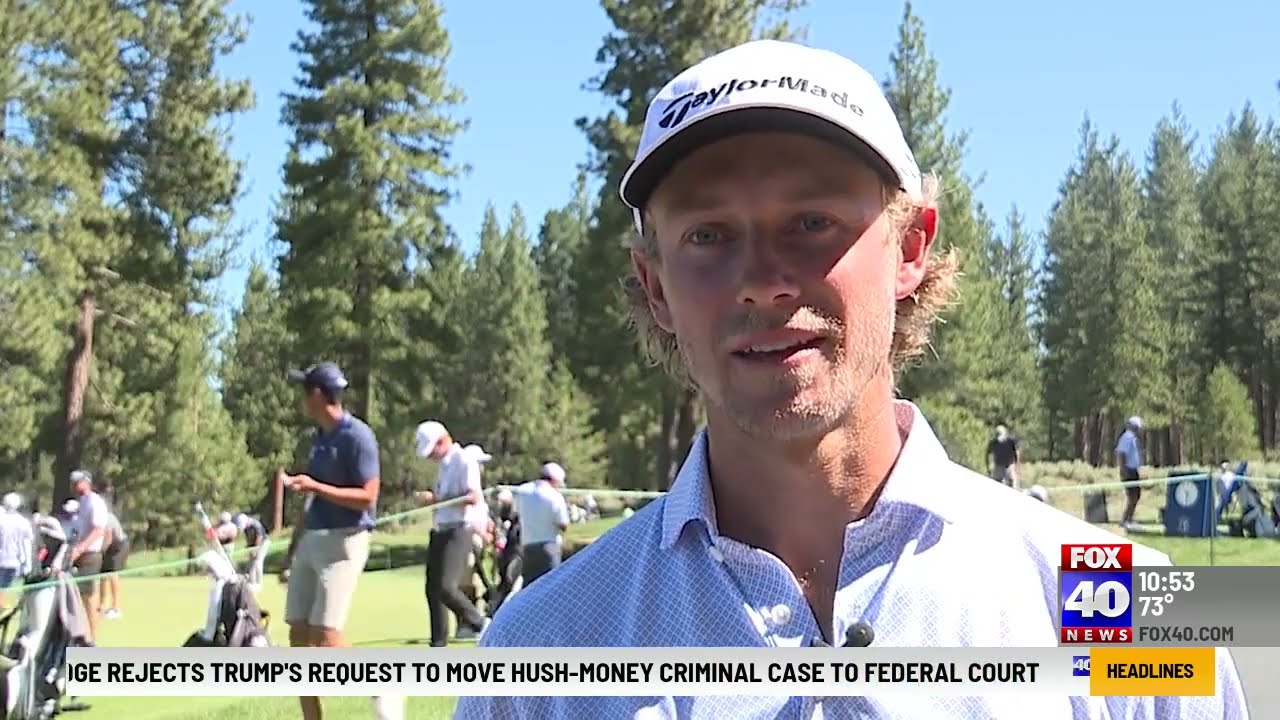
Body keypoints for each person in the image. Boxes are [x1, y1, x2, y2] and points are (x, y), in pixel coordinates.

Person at [455, 39, 1247, 719]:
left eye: (811, 222)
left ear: (909, 249)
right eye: (707, 234)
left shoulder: (1130, 606)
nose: (762, 281)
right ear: (655, 285)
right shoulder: (540, 651)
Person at [278, 361, 385, 720]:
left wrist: (315, 486)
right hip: (311, 541)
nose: (302, 400)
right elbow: (311, 503)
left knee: (325, 639)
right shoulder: (319, 439)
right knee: (298, 635)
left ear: (318, 395)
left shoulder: (357, 436)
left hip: (345, 543)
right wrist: (292, 550)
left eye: (305, 392)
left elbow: (368, 497)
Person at [414, 420, 489, 646]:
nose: (430, 457)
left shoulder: (464, 460)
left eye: (431, 451)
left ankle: (482, 624)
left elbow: (472, 497)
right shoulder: (443, 466)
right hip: (440, 529)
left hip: (459, 529)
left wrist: (435, 500)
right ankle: (438, 645)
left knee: (447, 587)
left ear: (442, 441)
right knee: (432, 590)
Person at [67, 470, 110, 644]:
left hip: (90, 554)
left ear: (87, 482)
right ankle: (81, 635)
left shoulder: (95, 501)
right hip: (80, 553)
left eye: (78, 482)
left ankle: (92, 639)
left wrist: (81, 548)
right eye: (73, 483)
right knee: (77, 596)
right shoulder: (82, 502)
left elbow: (99, 529)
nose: (75, 486)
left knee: (89, 598)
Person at [513, 462, 570, 586]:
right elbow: (563, 524)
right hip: (549, 546)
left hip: (527, 546)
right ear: (555, 480)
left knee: (529, 586)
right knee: (550, 586)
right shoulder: (555, 496)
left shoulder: (522, 491)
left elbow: (516, 513)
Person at [0, 493, 32, 609]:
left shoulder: (1, 520)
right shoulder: (22, 522)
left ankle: (3, 605)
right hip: (15, 560)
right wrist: (28, 563)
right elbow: (26, 544)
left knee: (2, 586)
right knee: (7, 586)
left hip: (2, 558)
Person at [99, 506, 130, 619]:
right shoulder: (97, 517)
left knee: (112, 574)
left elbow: (108, 537)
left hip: (119, 546)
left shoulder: (107, 518)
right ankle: (102, 605)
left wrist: (101, 551)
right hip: (108, 547)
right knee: (103, 574)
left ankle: (116, 608)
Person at [1115, 415, 1144, 531]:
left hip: (1133, 470)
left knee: (1136, 495)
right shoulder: (1127, 437)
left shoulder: (1132, 438)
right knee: (1132, 496)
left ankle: (1129, 519)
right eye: (1138, 427)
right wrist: (1123, 470)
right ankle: (1125, 520)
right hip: (1128, 470)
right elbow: (1121, 454)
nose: (1139, 430)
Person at [235, 512, 270, 587]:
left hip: (263, 543)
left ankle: (259, 583)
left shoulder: (256, 524)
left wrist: (255, 549)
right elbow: (248, 538)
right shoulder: (246, 527)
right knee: (251, 563)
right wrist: (249, 548)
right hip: (253, 545)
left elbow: (259, 537)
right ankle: (251, 582)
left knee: (258, 562)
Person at [986, 424, 1020, 488]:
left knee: (1012, 484)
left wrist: (1016, 466)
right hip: (998, 466)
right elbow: (987, 455)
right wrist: (988, 468)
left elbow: (1016, 453)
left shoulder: (1011, 441)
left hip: (1009, 466)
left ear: (1005, 434)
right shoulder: (993, 442)